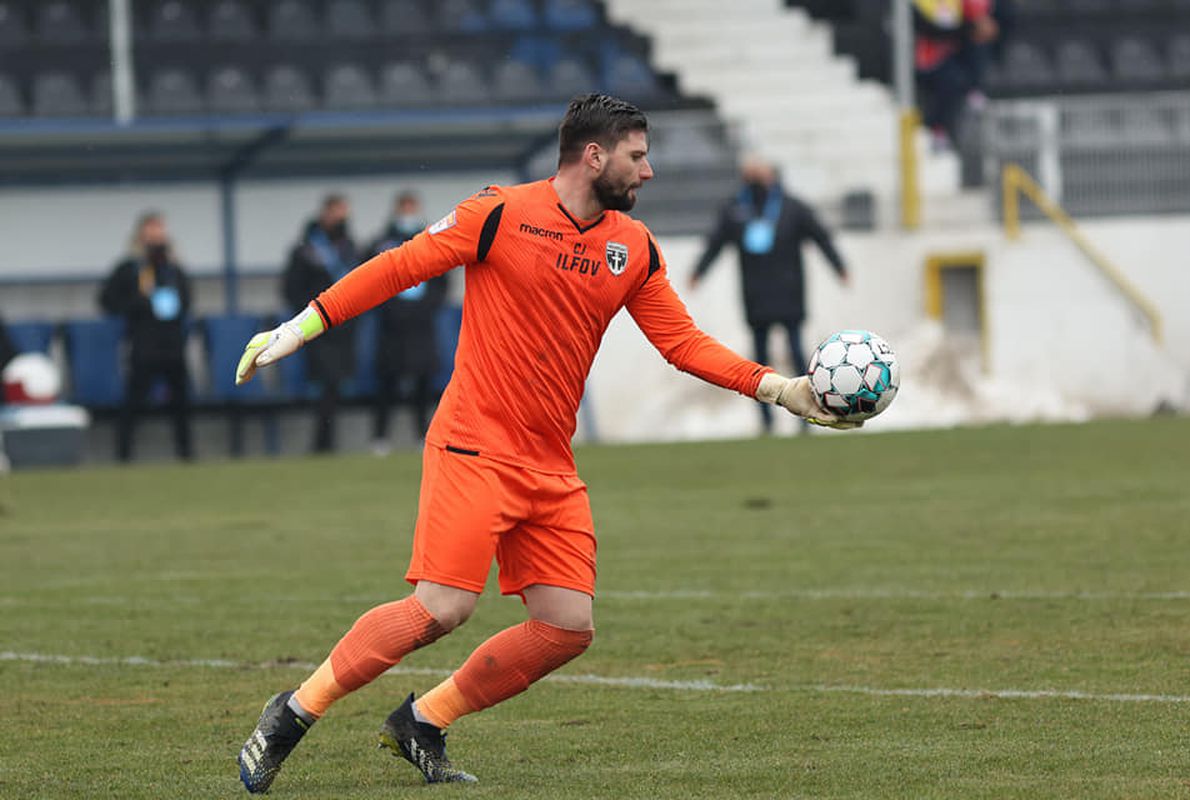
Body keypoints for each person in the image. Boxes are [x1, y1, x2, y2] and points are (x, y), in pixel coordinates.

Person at [234, 94, 860, 794]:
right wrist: (298, 328)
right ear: (593, 155)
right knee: (440, 609)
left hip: (548, 463)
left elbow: (680, 343)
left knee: (567, 626)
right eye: (637, 156)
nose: (648, 172)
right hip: (473, 445)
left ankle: (423, 721)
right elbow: (398, 268)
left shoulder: (633, 247)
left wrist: (781, 390)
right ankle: (291, 714)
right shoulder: (497, 212)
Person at [688, 156, 850, 434]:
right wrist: (699, 271)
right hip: (756, 296)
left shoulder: (791, 207)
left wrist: (839, 266)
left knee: (798, 354)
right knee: (759, 360)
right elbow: (715, 243)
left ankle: (807, 416)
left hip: (789, 293)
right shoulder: (737, 208)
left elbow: (820, 236)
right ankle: (766, 421)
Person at [99, 211, 193, 462]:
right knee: (133, 402)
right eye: (151, 232)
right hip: (143, 345)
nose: (157, 237)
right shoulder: (130, 269)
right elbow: (108, 301)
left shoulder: (173, 269)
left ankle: (186, 455)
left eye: (160, 231)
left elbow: (186, 301)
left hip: (172, 346)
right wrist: (139, 302)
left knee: (181, 403)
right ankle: (123, 456)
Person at [363, 191, 447, 454]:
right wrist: (394, 309)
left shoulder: (433, 238)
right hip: (392, 327)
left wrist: (423, 308)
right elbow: (369, 278)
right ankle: (380, 438)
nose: (409, 212)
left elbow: (442, 281)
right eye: (405, 207)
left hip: (421, 325)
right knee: (388, 382)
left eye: (413, 207)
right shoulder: (380, 243)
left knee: (423, 382)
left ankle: (423, 434)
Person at [283, 193, 358, 453]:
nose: (341, 218)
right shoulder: (306, 250)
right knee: (324, 383)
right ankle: (321, 443)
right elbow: (291, 289)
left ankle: (326, 443)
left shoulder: (350, 248)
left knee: (334, 385)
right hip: (316, 328)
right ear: (325, 213)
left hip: (343, 330)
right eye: (337, 212)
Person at [912, 0, 1000, 148]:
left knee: (976, 45)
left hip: (953, 54)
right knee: (950, 81)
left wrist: (980, 22)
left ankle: (975, 89)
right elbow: (929, 29)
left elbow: (978, 12)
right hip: (929, 60)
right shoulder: (919, 5)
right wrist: (969, 28)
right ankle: (937, 129)